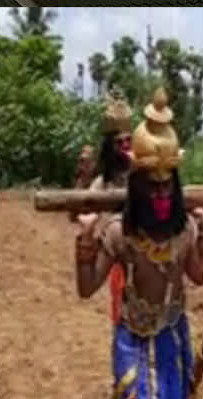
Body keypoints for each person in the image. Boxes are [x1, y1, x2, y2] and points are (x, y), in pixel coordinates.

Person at [74, 87, 203, 399]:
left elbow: (199, 275)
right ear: (136, 188)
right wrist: (84, 240)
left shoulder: (185, 229)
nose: (160, 196)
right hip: (133, 340)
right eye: (151, 189)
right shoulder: (120, 233)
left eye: (166, 188)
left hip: (172, 340)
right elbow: (86, 288)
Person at [71, 91, 134, 326]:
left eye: (129, 141)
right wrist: (83, 177)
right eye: (120, 143)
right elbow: (78, 212)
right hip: (120, 250)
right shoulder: (104, 182)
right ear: (110, 147)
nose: (125, 146)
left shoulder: (144, 173)